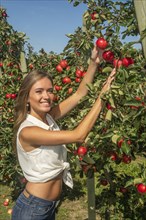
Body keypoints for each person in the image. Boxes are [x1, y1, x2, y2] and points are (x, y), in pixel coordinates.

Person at [11, 44, 116, 220]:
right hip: (32, 209)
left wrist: (93, 63)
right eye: (39, 91)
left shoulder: (48, 117)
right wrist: (103, 96)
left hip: (47, 207)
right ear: (26, 97)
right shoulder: (28, 131)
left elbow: (79, 95)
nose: (47, 96)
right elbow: (78, 135)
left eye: (50, 91)